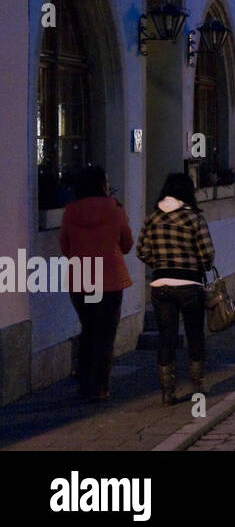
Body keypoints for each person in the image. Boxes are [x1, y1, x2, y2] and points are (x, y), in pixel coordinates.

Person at [136, 172, 216, 405]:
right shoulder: (193, 218)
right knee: (194, 334)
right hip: (190, 284)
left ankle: (167, 389)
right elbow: (207, 253)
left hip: (161, 284)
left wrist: (160, 265)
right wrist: (197, 264)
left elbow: (141, 250)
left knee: (166, 336)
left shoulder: (152, 218)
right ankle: (196, 383)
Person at [59, 166, 132, 401]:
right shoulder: (115, 209)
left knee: (89, 329)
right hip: (110, 279)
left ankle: (84, 384)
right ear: (103, 184)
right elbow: (127, 243)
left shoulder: (71, 210)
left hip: (82, 280)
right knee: (106, 334)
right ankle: (101, 386)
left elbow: (65, 246)